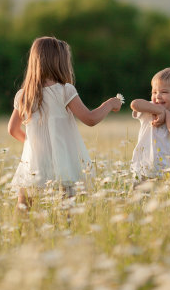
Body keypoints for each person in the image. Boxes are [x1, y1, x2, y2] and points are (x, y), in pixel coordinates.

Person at [8, 36, 122, 209]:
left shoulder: (24, 94)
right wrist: (110, 104)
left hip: (34, 159)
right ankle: (65, 233)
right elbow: (90, 119)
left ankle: (21, 234)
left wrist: (36, 145)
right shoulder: (65, 91)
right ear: (60, 63)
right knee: (66, 204)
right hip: (63, 158)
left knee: (25, 204)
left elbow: (13, 130)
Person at [129, 67, 170, 181]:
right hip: (142, 170)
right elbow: (135, 104)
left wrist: (165, 113)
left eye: (164, 92)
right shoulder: (149, 110)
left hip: (168, 173)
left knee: (167, 198)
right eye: (154, 92)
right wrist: (159, 110)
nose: (157, 96)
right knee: (140, 198)